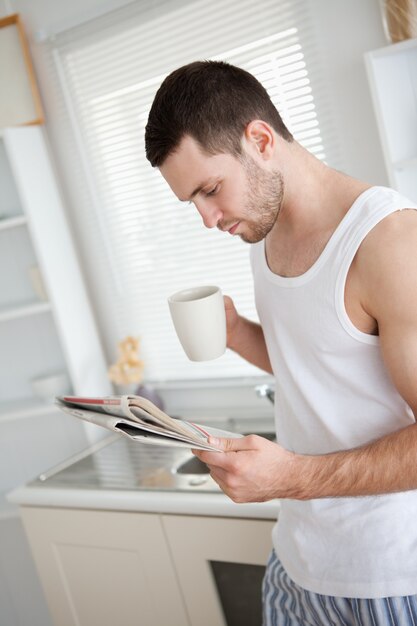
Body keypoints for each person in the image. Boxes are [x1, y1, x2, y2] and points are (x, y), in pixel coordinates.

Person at [145, 60, 417, 625]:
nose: (207, 218)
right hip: (294, 566)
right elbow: (317, 368)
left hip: (387, 582)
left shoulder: (389, 243)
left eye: (210, 190)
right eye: (192, 201)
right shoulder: (262, 234)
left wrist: (290, 477)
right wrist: (238, 333)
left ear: (261, 140)